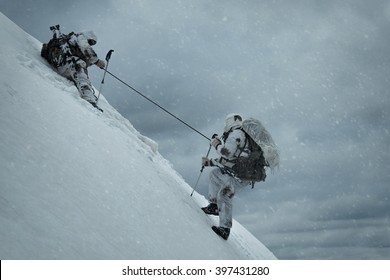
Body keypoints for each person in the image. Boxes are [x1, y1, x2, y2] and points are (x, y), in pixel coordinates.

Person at [201, 114, 251, 240]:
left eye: (225, 123)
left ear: (230, 122)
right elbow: (231, 159)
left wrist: (216, 144)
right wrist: (210, 162)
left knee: (224, 195)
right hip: (242, 174)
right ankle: (213, 206)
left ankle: (225, 228)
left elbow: (227, 154)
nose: (224, 126)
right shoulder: (241, 135)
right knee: (215, 174)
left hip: (242, 176)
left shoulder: (236, 134)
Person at [56, 31, 106, 109]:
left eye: (93, 43)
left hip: (65, 66)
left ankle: (87, 93)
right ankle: (88, 98)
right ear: (87, 37)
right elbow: (85, 48)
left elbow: (86, 58)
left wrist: (94, 62)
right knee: (81, 68)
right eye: (91, 41)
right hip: (66, 63)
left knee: (82, 68)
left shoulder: (75, 43)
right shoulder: (80, 37)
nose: (91, 44)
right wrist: (96, 61)